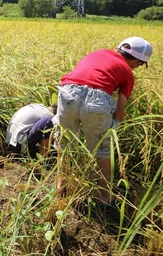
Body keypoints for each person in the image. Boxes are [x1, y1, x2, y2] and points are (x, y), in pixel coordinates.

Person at [53, 37, 153, 206]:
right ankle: (103, 197)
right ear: (136, 62)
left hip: (67, 92)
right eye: (140, 65)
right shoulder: (127, 73)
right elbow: (120, 109)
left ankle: (61, 188)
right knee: (103, 150)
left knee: (65, 144)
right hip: (96, 100)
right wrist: (114, 127)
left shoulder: (96, 54)